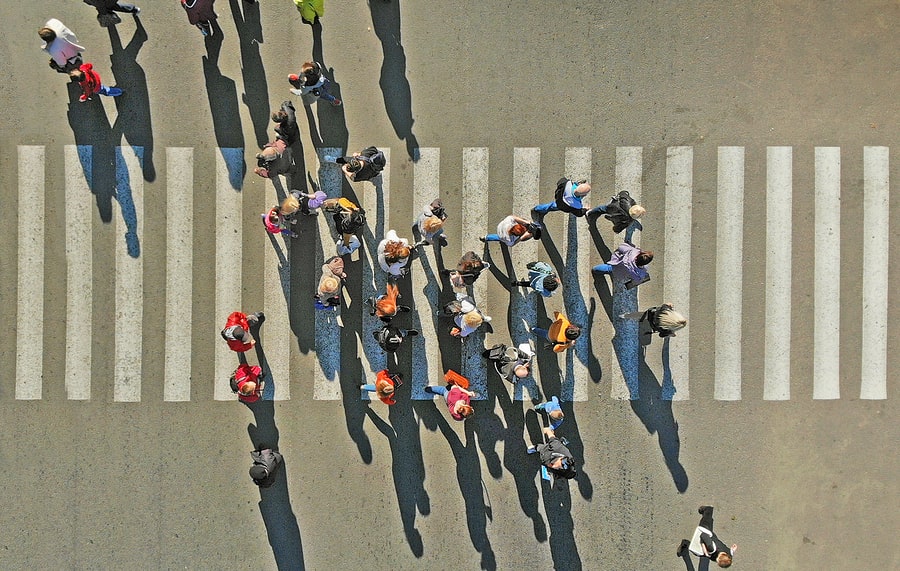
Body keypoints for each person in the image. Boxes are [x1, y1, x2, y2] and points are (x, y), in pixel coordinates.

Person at [621, 303, 687, 345]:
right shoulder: (667, 330)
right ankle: (624, 316)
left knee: (639, 315)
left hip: (651, 314)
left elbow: (666, 304)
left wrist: (670, 306)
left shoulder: (665, 310)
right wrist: (671, 334)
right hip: (653, 325)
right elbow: (661, 335)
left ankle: (624, 315)